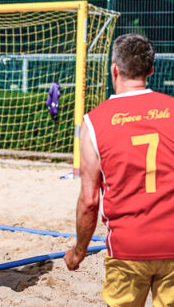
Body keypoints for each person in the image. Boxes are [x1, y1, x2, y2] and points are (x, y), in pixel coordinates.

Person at [64, 34, 174, 306]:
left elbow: (90, 201)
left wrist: (79, 252)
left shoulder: (94, 122)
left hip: (128, 247)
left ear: (114, 69)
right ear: (150, 70)